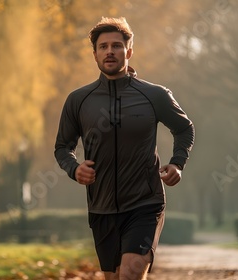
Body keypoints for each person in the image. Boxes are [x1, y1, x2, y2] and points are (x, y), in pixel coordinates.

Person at [54, 17, 195, 280]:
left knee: (130, 274)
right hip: (101, 207)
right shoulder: (78, 100)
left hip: (145, 202)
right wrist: (74, 169)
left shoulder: (154, 95)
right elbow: (63, 147)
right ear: (94, 53)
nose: (110, 51)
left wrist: (177, 162)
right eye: (103, 46)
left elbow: (184, 128)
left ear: (129, 52)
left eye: (117, 46)